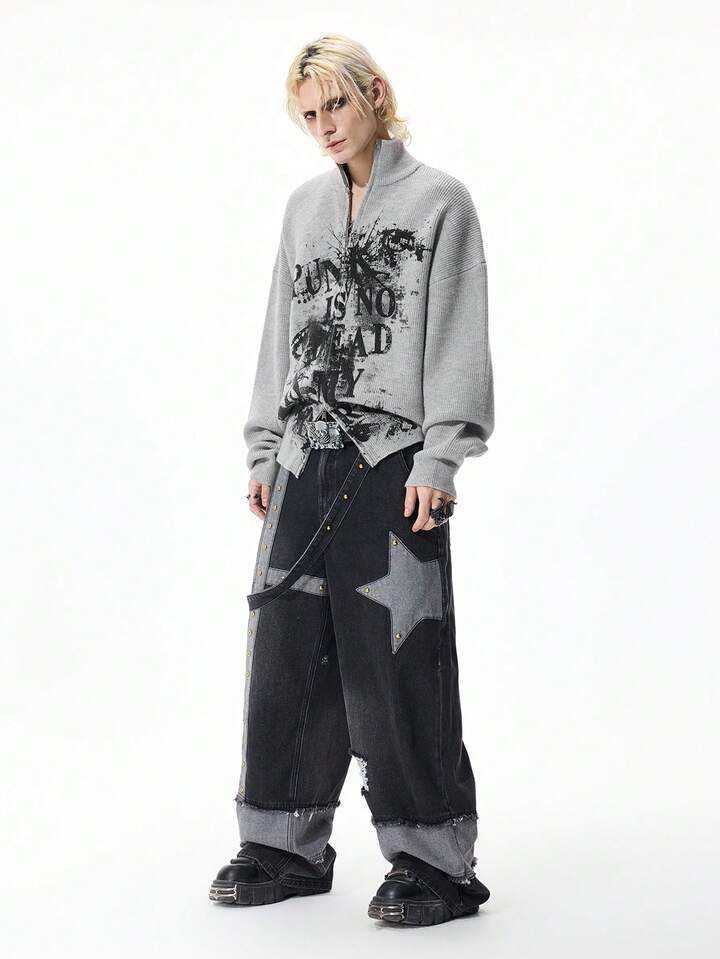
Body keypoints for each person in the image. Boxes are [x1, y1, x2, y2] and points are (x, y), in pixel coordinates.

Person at [209, 33, 494, 926]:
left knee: (398, 655)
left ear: (374, 93)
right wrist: (265, 447)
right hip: (304, 453)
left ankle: (434, 859)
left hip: (393, 458)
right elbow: (280, 326)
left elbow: (455, 330)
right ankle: (282, 843)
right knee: (286, 647)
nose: (325, 125)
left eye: (336, 103)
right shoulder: (303, 209)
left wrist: (442, 455)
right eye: (309, 114)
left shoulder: (440, 202)